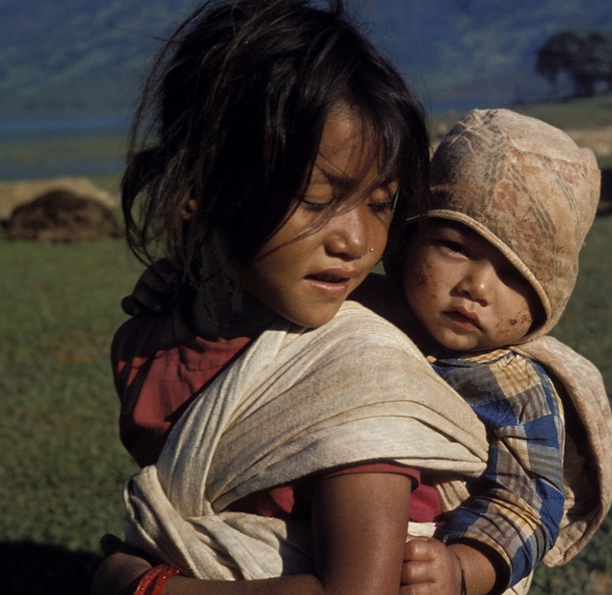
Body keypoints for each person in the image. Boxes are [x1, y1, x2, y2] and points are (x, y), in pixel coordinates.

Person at [91, 1, 491, 594]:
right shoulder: (147, 348)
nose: (355, 241)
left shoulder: (358, 385)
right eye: (315, 198)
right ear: (200, 189)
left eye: (380, 204)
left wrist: (141, 584)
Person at [358, 108, 612, 594]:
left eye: (514, 273)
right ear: (409, 238)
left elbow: (525, 503)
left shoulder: (515, 384)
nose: (476, 286)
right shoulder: (356, 312)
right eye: (454, 247)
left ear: (546, 298)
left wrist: (461, 570)